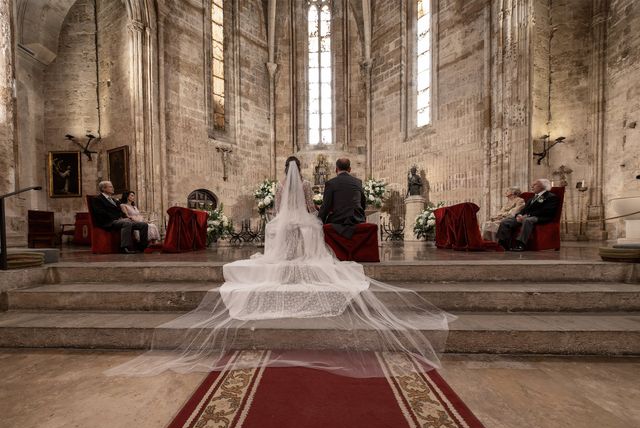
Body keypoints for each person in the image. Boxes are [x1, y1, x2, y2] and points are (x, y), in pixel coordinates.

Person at [107, 160, 452, 379]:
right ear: (303, 173)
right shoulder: (306, 185)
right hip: (308, 224)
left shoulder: (283, 187)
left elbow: (277, 210)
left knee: (279, 230)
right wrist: (315, 218)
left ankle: (284, 257)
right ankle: (302, 256)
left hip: (283, 226)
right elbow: (313, 209)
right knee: (310, 229)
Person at [496, 179, 559, 251]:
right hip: (526, 217)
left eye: (535, 185)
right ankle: (503, 243)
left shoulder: (550, 197)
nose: (532, 186)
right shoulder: (532, 198)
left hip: (541, 217)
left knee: (527, 220)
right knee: (505, 221)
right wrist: (519, 215)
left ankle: (520, 244)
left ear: (543, 186)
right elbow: (524, 210)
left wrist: (527, 215)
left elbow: (546, 211)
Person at [91, 181, 149, 253]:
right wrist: (118, 218)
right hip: (108, 222)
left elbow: (121, 212)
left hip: (119, 221)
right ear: (103, 189)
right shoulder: (97, 199)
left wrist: (127, 217)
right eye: (110, 187)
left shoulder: (114, 200)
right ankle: (125, 248)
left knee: (143, 225)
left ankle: (142, 247)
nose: (113, 188)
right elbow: (100, 212)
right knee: (127, 223)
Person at [317, 158, 366, 239]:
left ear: (336, 169)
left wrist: (318, 222)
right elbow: (363, 203)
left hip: (338, 220)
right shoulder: (358, 182)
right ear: (350, 169)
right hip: (357, 219)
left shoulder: (331, 183)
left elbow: (326, 207)